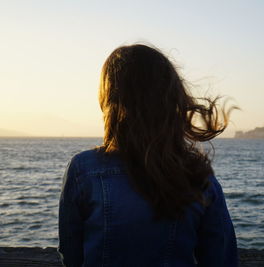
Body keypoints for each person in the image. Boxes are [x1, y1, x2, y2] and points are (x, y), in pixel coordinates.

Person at [58, 44, 238, 267]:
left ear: (109, 100)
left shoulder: (84, 170)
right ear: (172, 98)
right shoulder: (197, 175)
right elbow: (221, 258)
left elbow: (72, 255)